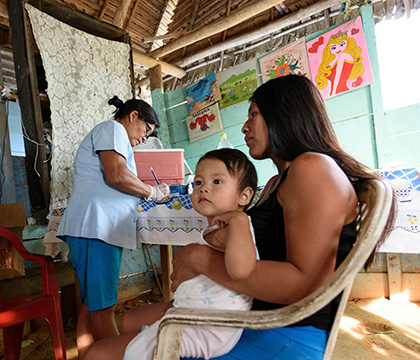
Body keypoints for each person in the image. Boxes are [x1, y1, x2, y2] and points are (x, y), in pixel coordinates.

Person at [84, 75, 394, 360]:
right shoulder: (279, 181)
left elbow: (305, 284)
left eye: (254, 114)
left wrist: (200, 259)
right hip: (253, 310)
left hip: (282, 330)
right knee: (128, 320)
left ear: (284, 115)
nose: (245, 127)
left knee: (98, 355)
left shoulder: (312, 169)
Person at [56, 96, 170, 359]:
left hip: (94, 228)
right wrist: (152, 191)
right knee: (103, 309)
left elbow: (122, 175)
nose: (145, 138)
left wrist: (144, 190)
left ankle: (89, 356)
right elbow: (117, 175)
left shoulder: (117, 139)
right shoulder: (113, 129)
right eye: (147, 130)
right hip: (96, 228)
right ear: (133, 116)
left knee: (91, 305)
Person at [123, 148, 259, 360]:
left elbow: (241, 270)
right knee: (136, 343)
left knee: (134, 353)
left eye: (217, 182)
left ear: (244, 195)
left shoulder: (234, 228)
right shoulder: (218, 229)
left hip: (210, 328)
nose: (204, 188)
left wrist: (239, 220)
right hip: (197, 318)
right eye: (198, 182)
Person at [315, 29, 365, 97]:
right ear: (329, 49)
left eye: (341, 45)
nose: (338, 49)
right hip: (333, 93)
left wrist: (333, 93)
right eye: (334, 48)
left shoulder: (344, 55)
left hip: (338, 91)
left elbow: (338, 74)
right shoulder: (332, 61)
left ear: (348, 43)